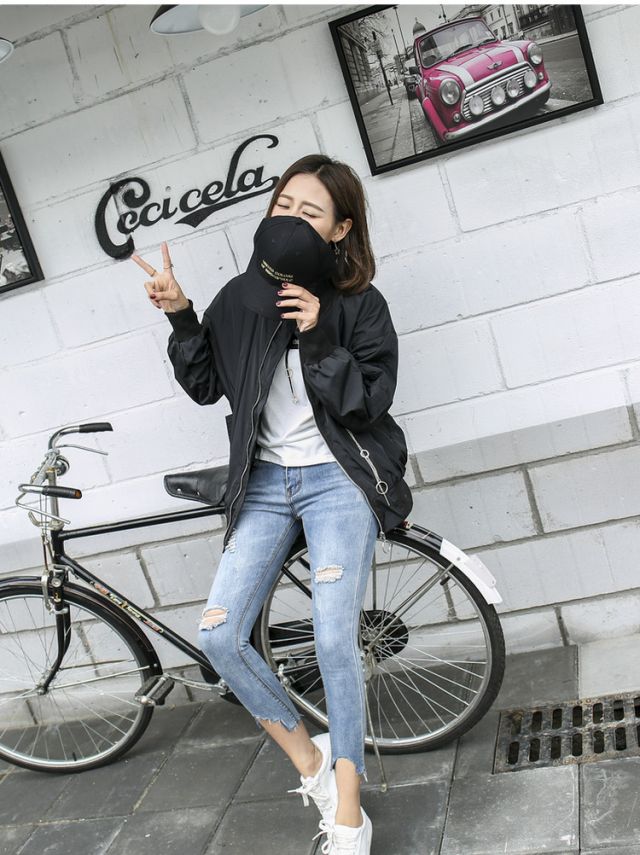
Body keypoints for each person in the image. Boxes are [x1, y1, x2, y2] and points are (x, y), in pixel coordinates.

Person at [131, 153, 413, 855]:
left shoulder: (360, 304)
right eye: (283, 205)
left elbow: (368, 402)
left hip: (338, 478)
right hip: (264, 484)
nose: (290, 218)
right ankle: (313, 766)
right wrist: (181, 314)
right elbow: (206, 386)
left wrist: (319, 332)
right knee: (219, 637)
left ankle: (349, 811)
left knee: (332, 638)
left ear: (341, 229)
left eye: (309, 211)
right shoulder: (239, 298)